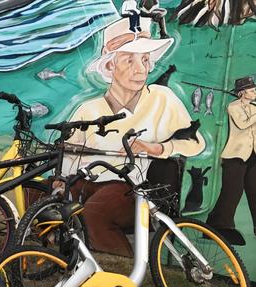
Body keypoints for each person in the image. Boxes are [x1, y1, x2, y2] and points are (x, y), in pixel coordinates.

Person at [62, 17, 206, 256]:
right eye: (130, 60)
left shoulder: (162, 99)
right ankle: (43, 262)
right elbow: (69, 152)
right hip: (88, 182)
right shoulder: (89, 109)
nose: (141, 69)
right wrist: (59, 180)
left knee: (95, 212)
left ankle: (120, 272)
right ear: (110, 66)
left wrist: (156, 148)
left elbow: (195, 142)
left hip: (134, 188)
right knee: (37, 193)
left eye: (146, 60)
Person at [206, 76, 256, 245]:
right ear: (242, 93)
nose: (254, 92)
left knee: (254, 190)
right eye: (251, 90)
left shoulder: (253, 107)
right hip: (235, 155)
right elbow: (243, 124)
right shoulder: (233, 107)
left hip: (253, 155)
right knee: (232, 191)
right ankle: (219, 225)